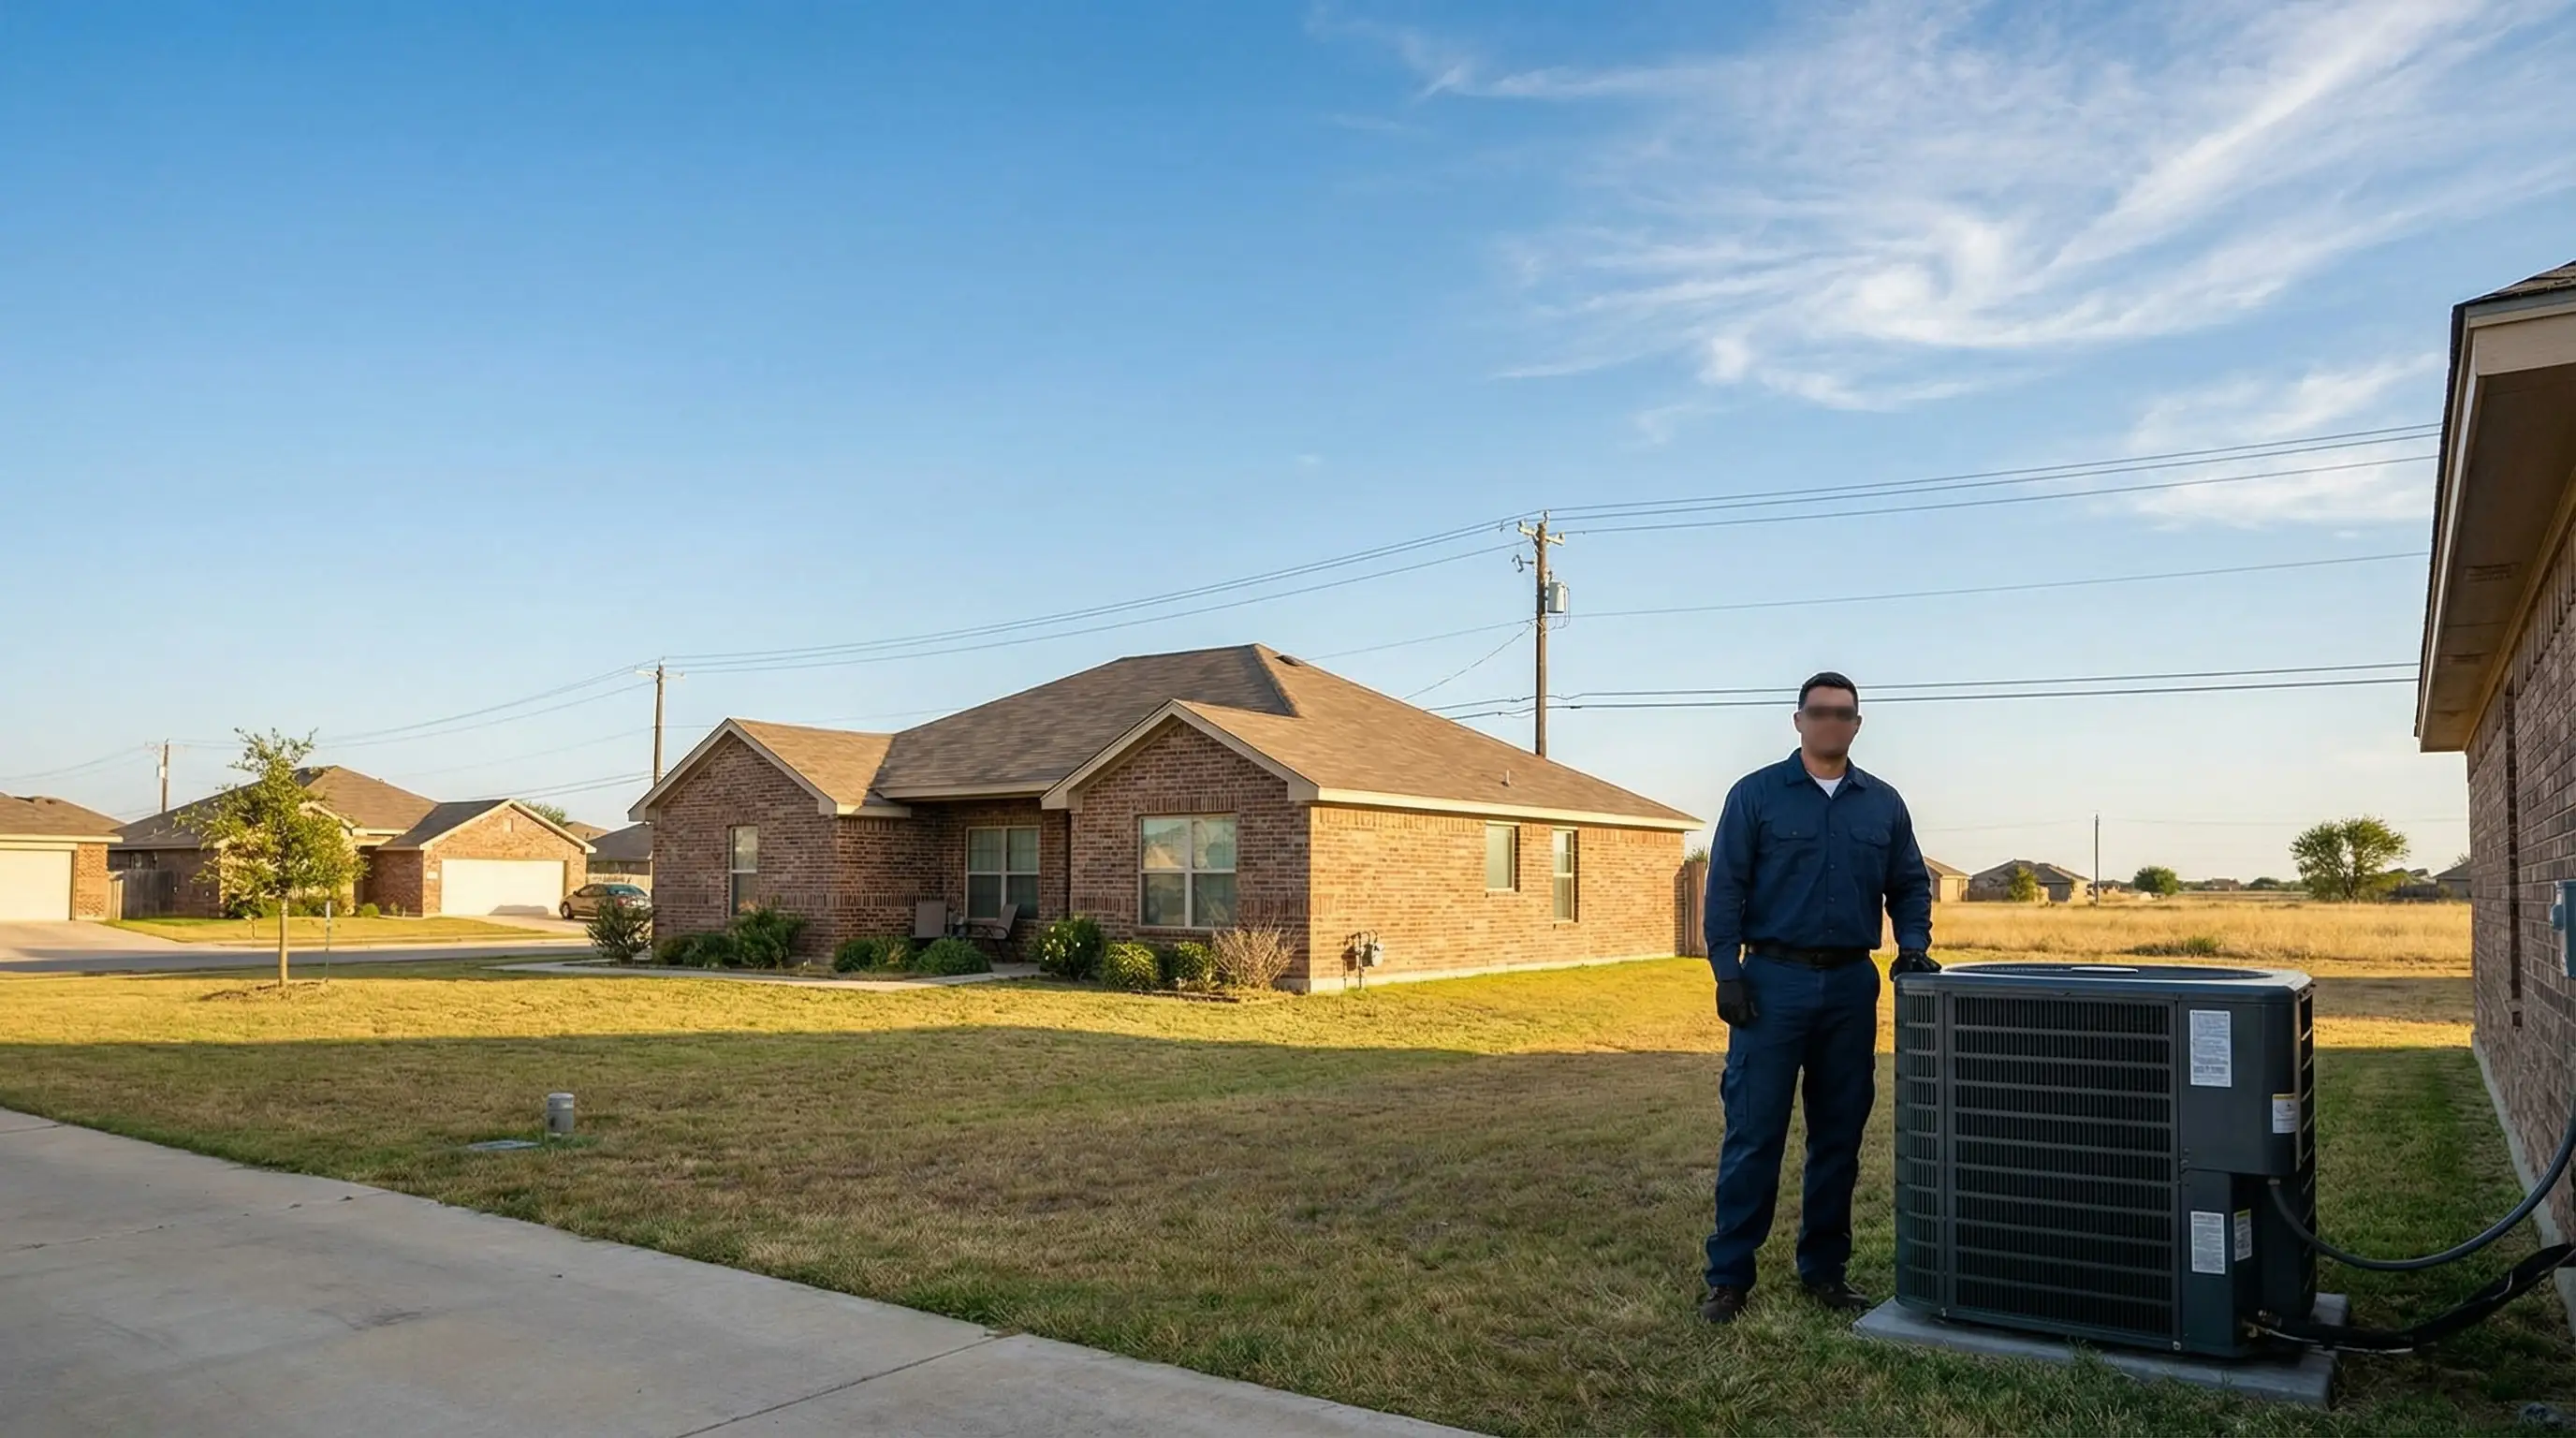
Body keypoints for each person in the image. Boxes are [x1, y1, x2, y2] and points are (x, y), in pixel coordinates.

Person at [1698, 670, 1935, 1326]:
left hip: (1850, 987)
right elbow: (1724, 892)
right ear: (1798, 721)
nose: (1831, 722)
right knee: (1754, 1133)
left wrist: (1911, 944)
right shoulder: (1756, 796)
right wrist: (1727, 972)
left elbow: (1911, 884)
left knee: (1838, 1135)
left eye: (1844, 714)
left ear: (1857, 725)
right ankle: (1729, 1279)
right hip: (1772, 983)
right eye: (1819, 712)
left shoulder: (1882, 804)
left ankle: (1824, 1271)